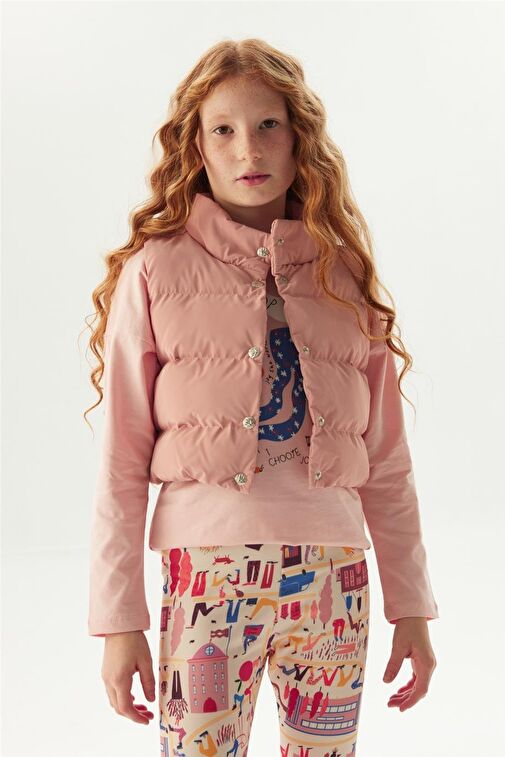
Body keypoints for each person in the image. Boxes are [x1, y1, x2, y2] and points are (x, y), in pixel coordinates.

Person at [84, 38, 439, 757]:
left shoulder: (342, 273)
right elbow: (121, 458)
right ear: (197, 148)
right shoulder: (156, 271)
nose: (248, 147)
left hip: (334, 578)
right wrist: (119, 619)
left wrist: (411, 605)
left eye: (268, 124)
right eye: (223, 129)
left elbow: (387, 460)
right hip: (205, 576)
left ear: (298, 137)